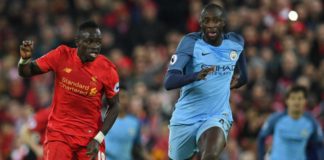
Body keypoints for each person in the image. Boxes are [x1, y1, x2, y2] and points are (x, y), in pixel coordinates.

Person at [18, 20, 120, 160]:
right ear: (77, 41)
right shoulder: (61, 55)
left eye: (98, 42)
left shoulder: (108, 69)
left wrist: (98, 138)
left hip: (90, 137)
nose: (95, 46)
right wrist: (25, 59)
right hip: (59, 134)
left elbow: (115, 105)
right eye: (89, 41)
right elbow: (27, 71)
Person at [163, 3, 248, 160]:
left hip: (216, 115)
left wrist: (233, 83)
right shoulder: (190, 42)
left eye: (215, 20)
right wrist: (195, 76)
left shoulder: (235, 43)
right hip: (186, 118)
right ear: (200, 22)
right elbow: (169, 82)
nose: (211, 25)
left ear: (223, 22)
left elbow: (243, 76)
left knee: (209, 156)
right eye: (206, 21)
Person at [257, 85, 324, 160]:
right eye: (293, 98)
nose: (296, 102)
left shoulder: (311, 122)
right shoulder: (275, 119)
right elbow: (261, 137)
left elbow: (320, 144)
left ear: (305, 101)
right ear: (287, 100)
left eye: (300, 98)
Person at [104, 86, 150, 160]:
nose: (119, 100)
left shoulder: (135, 123)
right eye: (117, 97)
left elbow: (138, 147)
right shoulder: (104, 118)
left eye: (123, 97)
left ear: (128, 100)